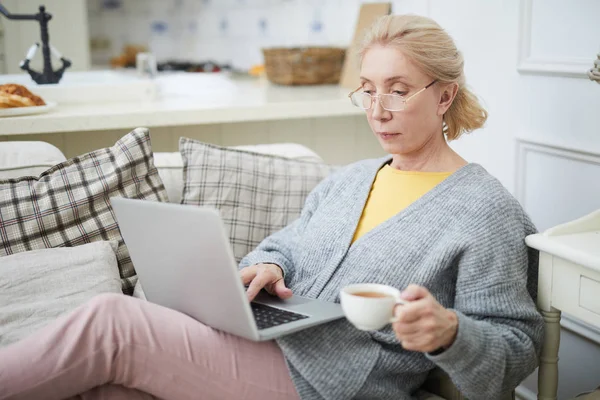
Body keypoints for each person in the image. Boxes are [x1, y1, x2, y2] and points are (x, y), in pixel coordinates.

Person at [0, 14, 543, 400]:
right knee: (114, 386)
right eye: (368, 91)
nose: (378, 111)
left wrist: (449, 332)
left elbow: (513, 354)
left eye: (398, 91)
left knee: (112, 320)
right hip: (267, 342)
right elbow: (289, 241)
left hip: (330, 382)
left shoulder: (484, 209)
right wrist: (272, 264)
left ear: (444, 96)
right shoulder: (350, 178)